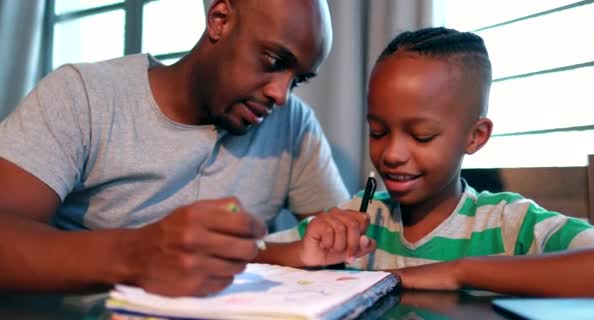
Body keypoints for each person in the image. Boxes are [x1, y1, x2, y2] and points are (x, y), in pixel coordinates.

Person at [0, 0, 350, 296]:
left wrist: (316, 247)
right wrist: (134, 255)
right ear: (220, 20)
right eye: (273, 62)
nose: (281, 94)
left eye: (298, 80)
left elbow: (335, 243)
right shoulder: (84, 97)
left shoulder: (292, 123)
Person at [264, 27, 594, 297]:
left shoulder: (510, 225)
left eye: (422, 136)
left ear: (475, 137)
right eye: (378, 131)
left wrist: (458, 272)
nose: (392, 154)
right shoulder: (360, 216)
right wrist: (301, 253)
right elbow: (246, 255)